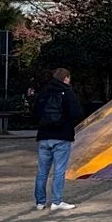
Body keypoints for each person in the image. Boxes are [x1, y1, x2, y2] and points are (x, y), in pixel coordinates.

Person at [32, 68, 84, 211]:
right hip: (62, 135)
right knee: (59, 170)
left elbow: (35, 112)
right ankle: (56, 201)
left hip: (44, 135)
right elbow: (77, 113)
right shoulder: (68, 93)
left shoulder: (44, 93)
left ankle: (40, 202)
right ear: (66, 78)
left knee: (42, 171)